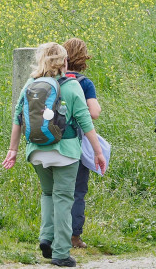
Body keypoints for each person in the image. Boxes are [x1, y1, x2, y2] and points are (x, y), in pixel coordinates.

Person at [3, 43, 107, 268]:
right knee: (63, 198)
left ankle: (45, 237)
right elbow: (85, 121)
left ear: (40, 60)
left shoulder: (30, 84)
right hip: (65, 152)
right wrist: (98, 153)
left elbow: (17, 118)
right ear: (65, 62)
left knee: (47, 194)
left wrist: (13, 150)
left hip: (36, 151)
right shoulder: (71, 86)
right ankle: (60, 252)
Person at [61, 38, 101, 250]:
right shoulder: (83, 83)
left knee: (54, 192)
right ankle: (74, 237)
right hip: (75, 142)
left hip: (50, 141)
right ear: (84, 56)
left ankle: (51, 234)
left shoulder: (51, 78)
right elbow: (94, 113)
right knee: (77, 191)